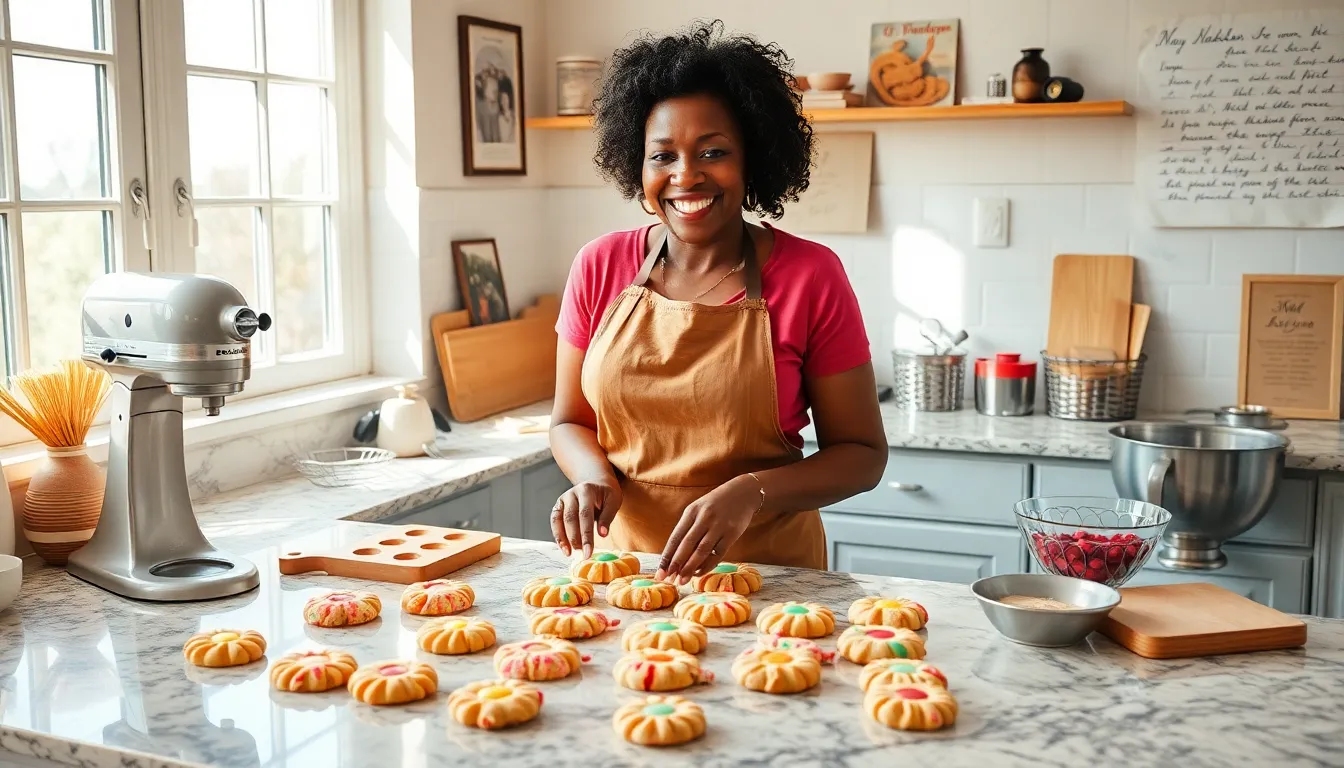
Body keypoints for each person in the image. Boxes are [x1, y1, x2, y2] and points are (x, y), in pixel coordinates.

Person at [549, 20, 887, 581]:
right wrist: (593, 478)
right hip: (625, 573)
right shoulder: (599, 265)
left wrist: (752, 492)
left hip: (771, 580)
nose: (686, 175)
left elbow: (862, 454)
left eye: (713, 151)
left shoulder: (810, 275)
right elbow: (568, 422)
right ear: (637, 162)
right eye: (663, 156)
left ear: (752, 158)